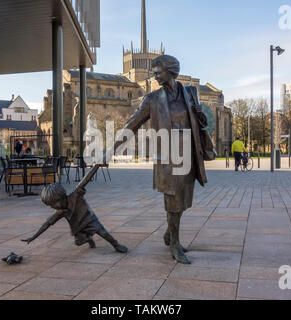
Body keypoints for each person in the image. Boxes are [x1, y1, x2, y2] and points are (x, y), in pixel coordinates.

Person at [106, 55, 215, 264]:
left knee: (183, 201)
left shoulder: (191, 92)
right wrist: (111, 150)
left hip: (189, 153)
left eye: (158, 72)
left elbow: (201, 121)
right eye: (153, 72)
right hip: (167, 156)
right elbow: (132, 125)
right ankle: (174, 243)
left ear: (171, 71)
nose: (154, 76)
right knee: (172, 201)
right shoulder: (152, 99)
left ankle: (169, 232)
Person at [22, 183, 128, 253]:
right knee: (78, 242)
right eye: (50, 206)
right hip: (78, 228)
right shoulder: (61, 212)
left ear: (62, 197)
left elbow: (86, 179)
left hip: (89, 220)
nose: (53, 207)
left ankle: (116, 245)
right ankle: (88, 239)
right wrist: (33, 237)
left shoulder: (75, 195)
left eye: (54, 204)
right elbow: (47, 224)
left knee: (103, 233)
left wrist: (97, 166)